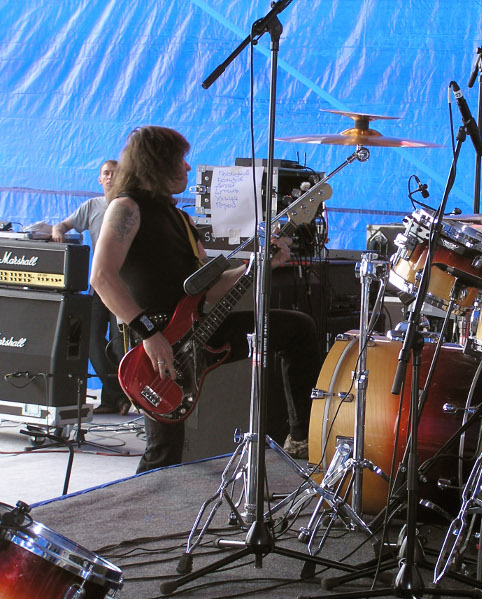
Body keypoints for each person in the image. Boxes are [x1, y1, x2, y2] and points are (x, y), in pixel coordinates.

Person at [90, 126, 320, 472]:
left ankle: (300, 438)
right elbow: (101, 277)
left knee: (298, 328)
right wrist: (151, 335)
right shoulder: (126, 208)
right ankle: (139, 505)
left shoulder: (181, 218)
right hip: (154, 343)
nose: (187, 167)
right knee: (164, 451)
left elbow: (207, 290)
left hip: (197, 330)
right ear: (157, 163)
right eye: (180, 160)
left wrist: (259, 266)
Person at [52, 159, 130, 414]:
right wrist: (58, 229)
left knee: (118, 346)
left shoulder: (129, 209)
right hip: (98, 287)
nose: (110, 177)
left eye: (115, 173)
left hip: (122, 289)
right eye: (106, 173)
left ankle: (113, 399)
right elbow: (65, 224)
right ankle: (118, 396)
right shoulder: (91, 206)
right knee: (89, 341)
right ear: (99, 179)